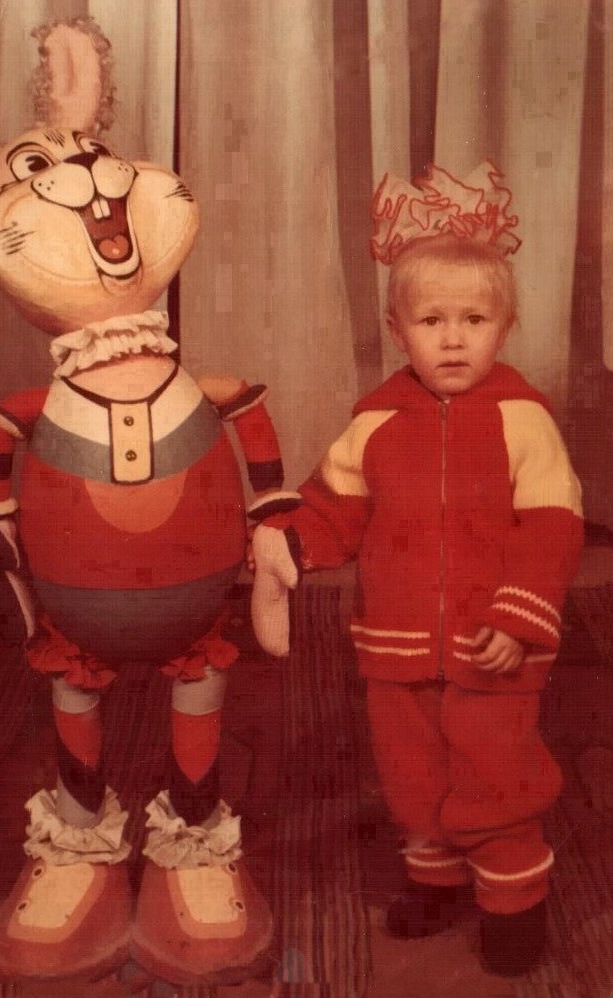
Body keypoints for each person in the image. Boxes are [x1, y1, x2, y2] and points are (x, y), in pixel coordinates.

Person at [250, 163, 584, 977]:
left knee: (496, 773)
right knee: (410, 772)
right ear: (398, 331)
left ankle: (513, 901)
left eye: (475, 320)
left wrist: (518, 614)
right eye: (432, 320)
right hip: (395, 644)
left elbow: (553, 524)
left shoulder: (522, 420)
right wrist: (295, 545)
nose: (454, 338)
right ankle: (434, 879)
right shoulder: (375, 423)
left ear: (505, 326)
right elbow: (335, 507)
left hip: (491, 645)